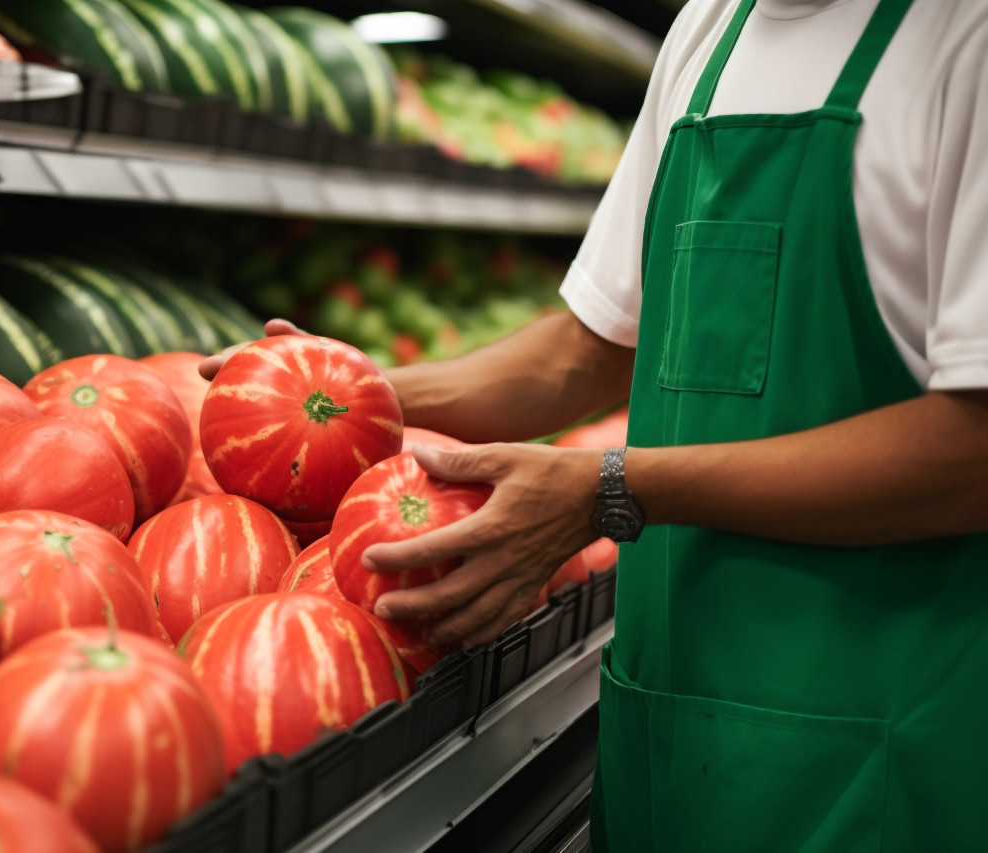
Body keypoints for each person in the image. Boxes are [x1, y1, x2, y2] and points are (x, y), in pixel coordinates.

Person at [204, 0, 988, 847]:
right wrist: (348, 392)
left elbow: (973, 450)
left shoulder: (964, 39)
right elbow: (585, 351)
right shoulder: (709, 31)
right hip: (671, 712)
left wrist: (613, 485)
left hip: (879, 729)